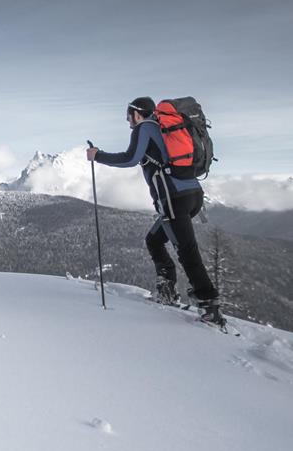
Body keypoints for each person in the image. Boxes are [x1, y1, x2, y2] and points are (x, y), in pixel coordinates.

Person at [86, 97, 224, 326]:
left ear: (137, 113)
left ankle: (209, 305)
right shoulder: (165, 128)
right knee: (154, 239)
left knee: (187, 251)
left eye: (128, 115)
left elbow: (131, 158)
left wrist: (97, 155)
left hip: (173, 199)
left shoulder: (146, 128)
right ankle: (168, 290)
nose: (127, 120)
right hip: (192, 195)